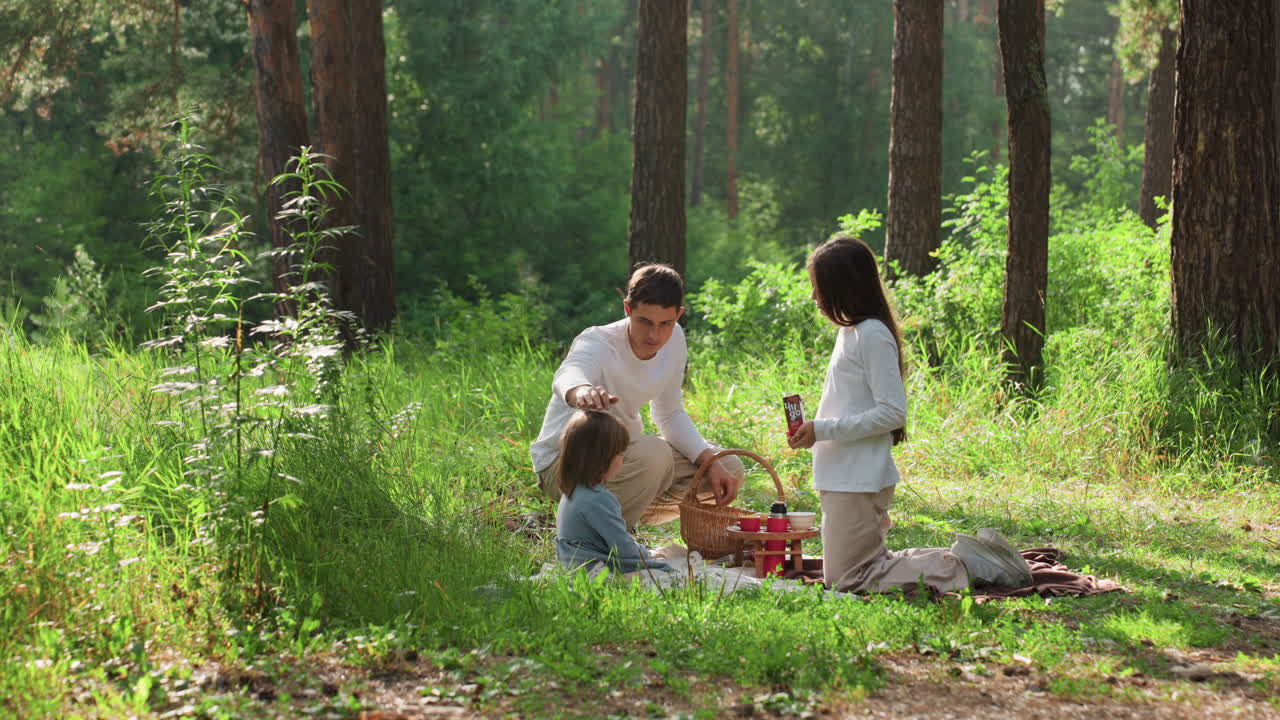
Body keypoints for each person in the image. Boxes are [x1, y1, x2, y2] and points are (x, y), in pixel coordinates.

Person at [786, 235, 1032, 593]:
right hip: (842, 474)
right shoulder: (850, 333)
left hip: (858, 478)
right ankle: (960, 561)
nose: (814, 299)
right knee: (857, 571)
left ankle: (967, 566)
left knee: (849, 580)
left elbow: (892, 413)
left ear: (845, 287)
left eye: (820, 290)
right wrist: (814, 432)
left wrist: (821, 429)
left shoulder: (871, 334)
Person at [531, 263, 746, 531]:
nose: (654, 335)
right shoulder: (599, 340)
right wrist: (582, 392)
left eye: (665, 323)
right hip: (565, 464)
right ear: (627, 309)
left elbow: (669, 414)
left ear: (678, 315)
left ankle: (611, 522)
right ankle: (596, 538)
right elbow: (568, 374)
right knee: (654, 453)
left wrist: (708, 461)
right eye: (644, 321)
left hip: (622, 459)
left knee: (726, 466)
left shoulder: (675, 339)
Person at [555, 410, 673, 574]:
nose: (622, 459)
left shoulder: (572, 491)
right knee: (666, 572)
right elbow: (622, 546)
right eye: (619, 454)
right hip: (593, 569)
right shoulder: (598, 498)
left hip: (571, 565)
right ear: (602, 458)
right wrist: (648, 555)